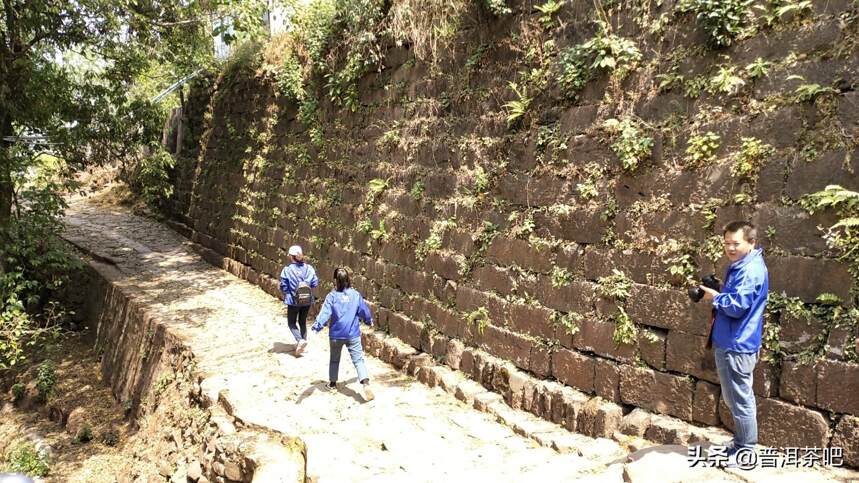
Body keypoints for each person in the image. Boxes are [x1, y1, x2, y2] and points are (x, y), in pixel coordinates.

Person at [699, 221, 769, 466]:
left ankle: (746, 450)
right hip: (730, 340)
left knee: (740, 399)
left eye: (735, 243)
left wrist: (715, 297)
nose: (730, 248)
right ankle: (740, 443)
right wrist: (720, 289)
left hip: (737, 343)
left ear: (751, 243)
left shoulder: (750, 271)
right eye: (726, 243)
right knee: (735, 398)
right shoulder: (741, 265)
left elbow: (737, 307)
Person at [311, 267, 375, 402]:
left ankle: (333, 384)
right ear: (348, 279)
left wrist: (317, 327)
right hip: (353, 334)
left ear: (335, 280)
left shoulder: (332, 296)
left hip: (336, 335)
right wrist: (369, 320)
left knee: (334, 359)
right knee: (358, 360)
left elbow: (325, 313)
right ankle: (365, 383)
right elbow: (364, 311)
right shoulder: (356, 295)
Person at [279, 245, 319, 356]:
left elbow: (284, 286)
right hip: (307, 300)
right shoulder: (309, 268)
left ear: (292, 257)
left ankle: (300, 340)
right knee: (302, 321)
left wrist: (288, 293)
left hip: (293, 300)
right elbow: (315, 283)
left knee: (291, 323)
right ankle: (303, 343)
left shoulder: (287, 270)